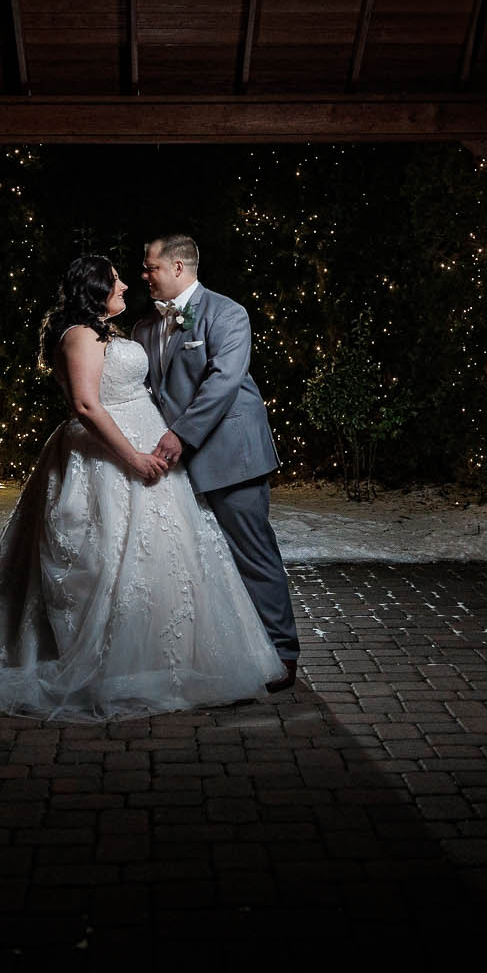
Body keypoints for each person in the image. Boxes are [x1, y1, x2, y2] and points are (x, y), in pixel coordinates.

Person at [0, 254, 287, 720]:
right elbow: (87, 406)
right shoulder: (81, 337)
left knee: (165, 555)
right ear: (94, 290)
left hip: (149, 447)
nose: (128, 286)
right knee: (105, 552)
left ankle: (167, 652)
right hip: (111, 458)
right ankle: (115, 661)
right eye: (116, 281)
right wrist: (132, 457)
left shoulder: (111, 332)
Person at [132, 234, 298, 692]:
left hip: (230, 455)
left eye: (151, 268)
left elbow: (224, 382)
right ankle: (236, 652)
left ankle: (283, 653)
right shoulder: (144, 327)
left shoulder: (228, 314)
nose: (144, 276)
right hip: (173, 463)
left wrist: (180, 435)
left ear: (180, 268)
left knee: (252, 552)